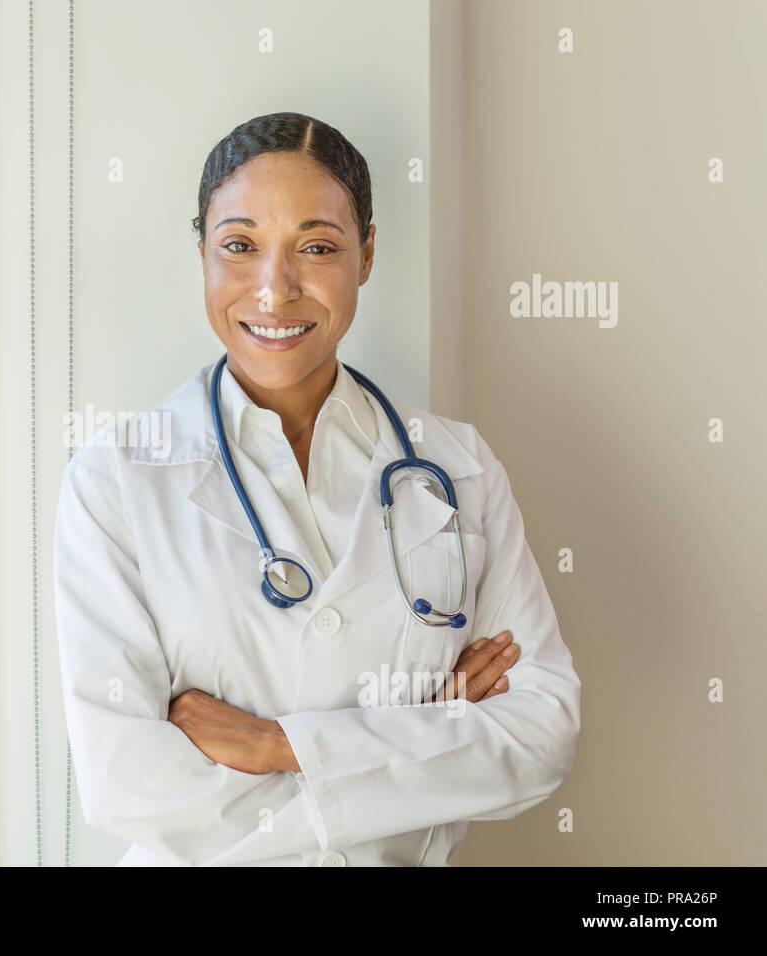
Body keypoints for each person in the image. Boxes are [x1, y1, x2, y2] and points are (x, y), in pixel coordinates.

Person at [53, 111, 581, 866]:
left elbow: (540, 733)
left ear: (366, 255)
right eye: (240, 246)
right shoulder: (117, 480)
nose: (275, 290)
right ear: (201, 251)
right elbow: (125, 783)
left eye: (318, 247)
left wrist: (278, 745)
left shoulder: (457, 469)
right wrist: (421, 739)